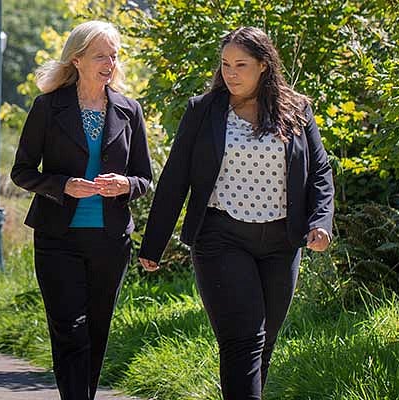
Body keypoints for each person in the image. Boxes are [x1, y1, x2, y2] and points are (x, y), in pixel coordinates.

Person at [136, 27, 335, 400]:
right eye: (225, 64)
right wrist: (153, 244)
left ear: (263, 65)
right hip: (221, 237)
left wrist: (320, 222)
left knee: (264, 341)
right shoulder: (204, 111)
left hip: (281, 241)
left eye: (240, 65)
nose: (231, 73)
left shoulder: (296, 110)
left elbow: (320, 171)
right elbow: (176, 176)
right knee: (243, 338)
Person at [10, 20, 153, 400]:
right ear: (77, 59)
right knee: (69, 330)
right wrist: (62, 185)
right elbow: (21, 172)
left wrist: (126, 184)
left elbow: (145, 177)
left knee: (96, 331)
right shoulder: (47, 107)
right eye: (100, 56)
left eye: (114, 56)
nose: (109, 63)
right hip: (58, 237)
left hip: (109, 240)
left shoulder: (129, 110)